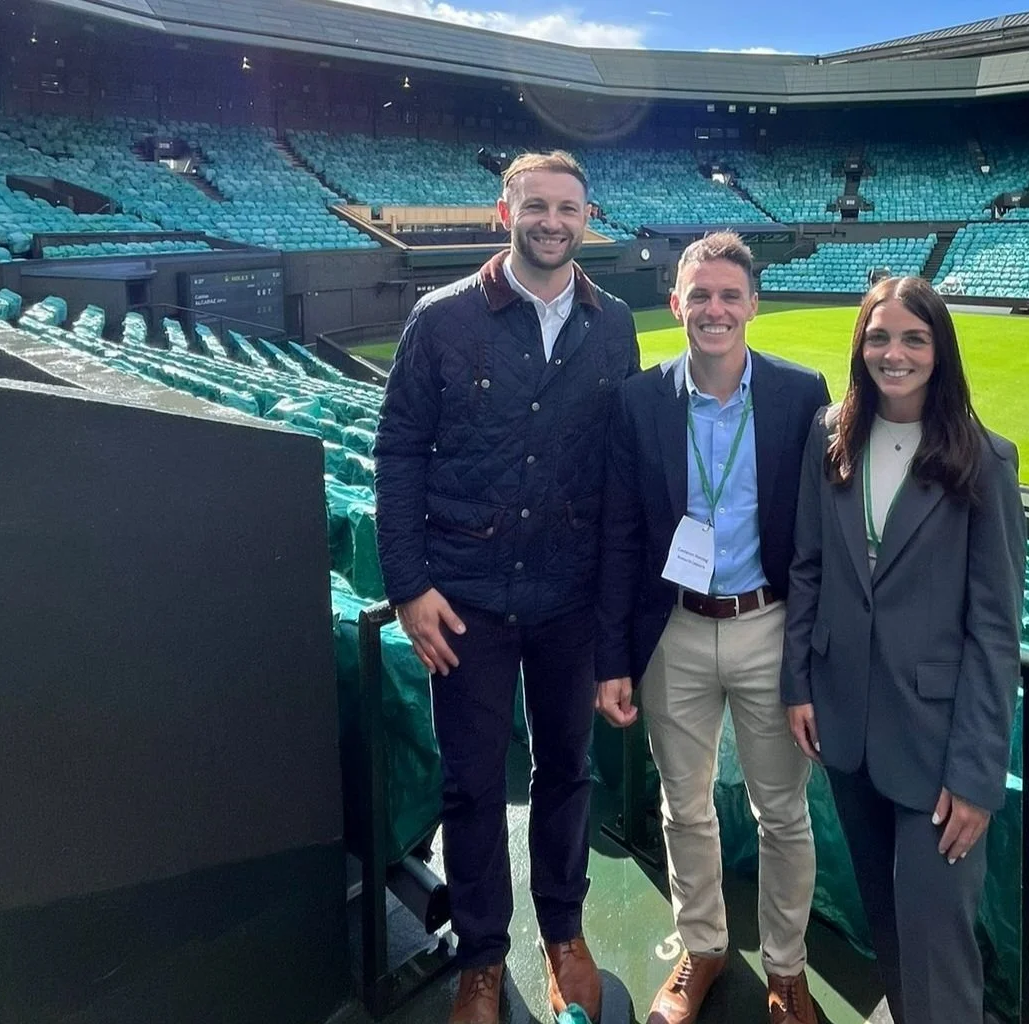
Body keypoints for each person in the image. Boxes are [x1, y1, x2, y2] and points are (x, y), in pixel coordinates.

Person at [374, 150, 640, 1024]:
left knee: (568, 770)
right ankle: (483, 960)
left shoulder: (615, 326)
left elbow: (616, 476)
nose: (553, 221)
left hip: (568, 600)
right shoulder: (439, 318)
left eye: (568, 207)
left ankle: (563, 933)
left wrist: (612, 616)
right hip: (468, 600)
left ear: (587, 218)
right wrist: (409, 585)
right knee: (473, 785)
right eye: (537, 206)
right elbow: (401, 450)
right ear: (505, 214)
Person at [595, 232, 830, 1024]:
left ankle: (787, 969)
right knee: (683, 806)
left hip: (769, 625)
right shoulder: (640, 399)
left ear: (754, 304)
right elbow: (622, 536)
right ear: (676, 305)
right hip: (676, 631)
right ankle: (702, 948)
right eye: (700, 296)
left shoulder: (803, 395)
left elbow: (819, 541)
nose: (715, 309)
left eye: (730, 295)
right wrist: (613, 657)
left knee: (783, 814)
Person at [780, 276, 1026, 1024]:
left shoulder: (985, 461)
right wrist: (799, 682)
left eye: (914, 338)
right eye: (879, 337)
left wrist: (979, 774)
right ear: (859, 346)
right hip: (845, 726)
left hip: (936, 746)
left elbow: (996, 629)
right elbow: (809, 567)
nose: (895, 353)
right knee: (886, 919)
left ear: (940, 350)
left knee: (937, 940)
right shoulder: (832, 436)